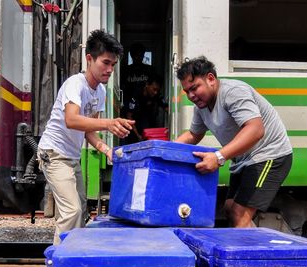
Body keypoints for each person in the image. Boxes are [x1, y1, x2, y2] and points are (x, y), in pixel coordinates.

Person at [38, 30, 134, 244]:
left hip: (71, 158)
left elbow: (89, 129)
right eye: (105, 63)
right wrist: (109, 123)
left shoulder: (100, 92)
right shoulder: (76, 84)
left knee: (81, 212)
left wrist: (107, 150)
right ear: (89, 59)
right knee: (71, 212)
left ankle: (74, 262)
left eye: (113, 65)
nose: (109, 70)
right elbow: (72, 120)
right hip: (53, 154)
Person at [175, 56, 292, 228]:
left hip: (270, 155)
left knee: (239, 213)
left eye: (194, 88)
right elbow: (194, 134)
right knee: (230, 209)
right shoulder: (201, 107)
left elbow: (255, 129)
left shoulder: (233, 92)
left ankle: (251, 254)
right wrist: (161, 150)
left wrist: (218, 157)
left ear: (210, 79)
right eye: (187, 92)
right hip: (244, 159)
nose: (191, 95)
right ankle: (258, 250)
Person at [121, 74, 166, 144]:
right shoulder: (136, 94)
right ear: (147, 85)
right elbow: (129, 116)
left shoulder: (157, 95)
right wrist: (138, 135)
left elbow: (167, 107)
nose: (155, 92)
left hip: (147, 127)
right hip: (133, 126)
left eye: (157, 90)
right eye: (154, 89)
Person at [122, 42, 153, 107]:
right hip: (129, 104)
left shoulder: (149, 69)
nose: (138, 57)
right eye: (136, 55)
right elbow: (123, 88)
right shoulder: (126, 70)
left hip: (146, 104)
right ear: (131, 55)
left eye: (141, 55)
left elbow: (154, 87)